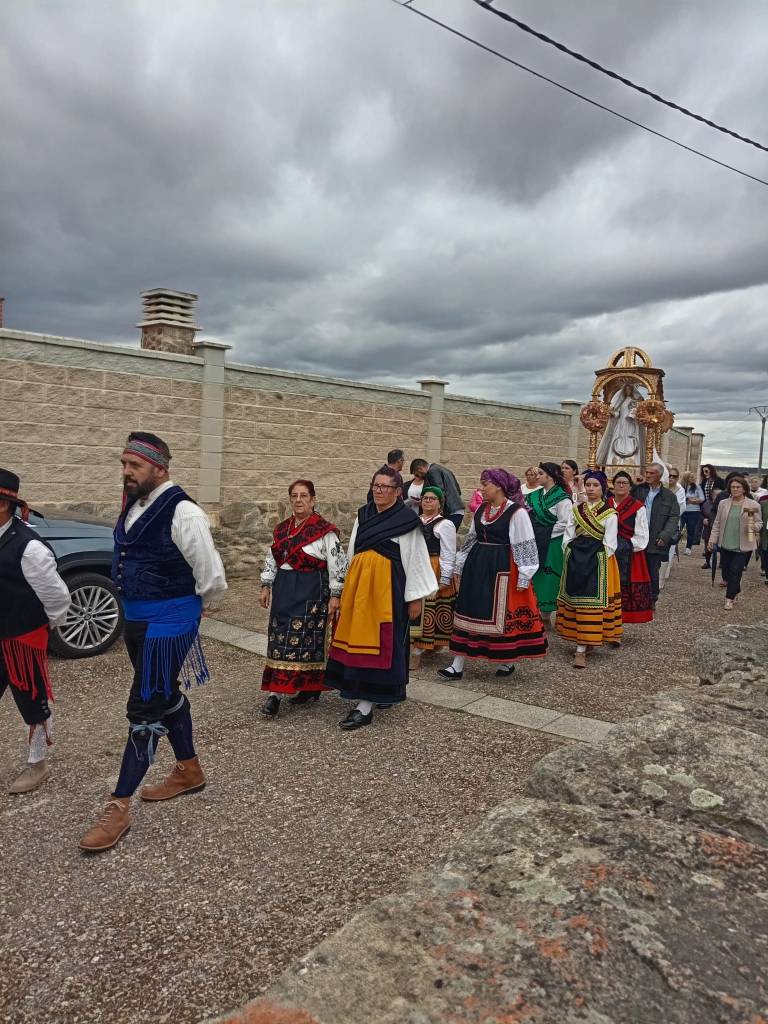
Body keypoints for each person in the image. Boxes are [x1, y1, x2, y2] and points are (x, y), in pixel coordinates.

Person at [80, 432, 227, 853]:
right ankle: (190, 771)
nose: (126, 472)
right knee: (165, 694)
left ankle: (118, 805)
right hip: (138, 618)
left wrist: (194, 611)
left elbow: (212, 575)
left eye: (135, 466)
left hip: (170, 622)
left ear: (159, 468)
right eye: (124, 464)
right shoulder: (134, 504)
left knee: (144, 706)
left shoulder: (184, 512)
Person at [325, 467, 436, 731]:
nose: (379, 490)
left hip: (389, 590)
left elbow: (416, 559)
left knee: (385, 643)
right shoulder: (363, 515)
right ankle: (378, 691)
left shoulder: (406, 520)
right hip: (359, 588)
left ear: (398, 492)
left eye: (385, 486)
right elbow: (352, 551)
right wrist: (343, 589)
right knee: (358, 639)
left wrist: (415, 598)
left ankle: (365, 706)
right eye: (376, 485)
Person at [0, 469, 71, 794]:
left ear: (4, 504)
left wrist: (39, 628)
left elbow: (57, 598)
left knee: (32, 703)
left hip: (21, 641)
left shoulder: (29, 548)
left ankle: (38, 763)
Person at [440, 469, 546, 680]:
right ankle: (457, 664)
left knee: (500, 615)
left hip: (502, 567)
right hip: (477, 565)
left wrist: (525, 574)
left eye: (485, 484)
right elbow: (471, 539)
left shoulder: (517, 512)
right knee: (470, 609)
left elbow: (525, 544)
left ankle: (506, 660)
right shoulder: (481, 510)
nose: (481, 488)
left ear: (498, 486)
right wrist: (459, 566)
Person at [258, 480, 347, 718]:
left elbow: (337, 563)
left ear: (313, 499)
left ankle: (292, 691)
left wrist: (336, 594)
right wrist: (266, 584)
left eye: (304, 495)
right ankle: (281, 690)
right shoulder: (282, 529)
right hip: (284, 590)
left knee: (306, 642)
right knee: (279, 639)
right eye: (294, 496)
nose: (298, 500)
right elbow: (272, 558)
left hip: (312, 592)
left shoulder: (324, 531)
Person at [557, 471, 622, 668]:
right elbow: (568, 534)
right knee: (576, 599)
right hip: (576, 558)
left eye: (596, 485)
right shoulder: (576, 510)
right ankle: (584, 641)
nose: (591, 489)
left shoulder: (610, 514)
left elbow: (610, 544)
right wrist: (568, 551)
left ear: (603, 488)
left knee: (591, 604)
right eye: (588, 485)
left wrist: (596, 559)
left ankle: (581, 650)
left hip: (598, 561)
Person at [409, 486, 457, 670]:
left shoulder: (445, 524)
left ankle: (418, 650)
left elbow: (449, 552)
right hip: (415, 566)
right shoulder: (414, 521)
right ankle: (416, 646)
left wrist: (445, 577)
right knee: (415, 607)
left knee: (430, 609)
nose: (428, 501)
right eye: (425, 498)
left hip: (433, 566)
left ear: (439, 503)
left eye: (432, 498)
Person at [526, 462, 571, 627]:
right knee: (535, 574)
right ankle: (535, 610)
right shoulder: (533, 496)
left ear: (550, 476)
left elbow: (564, 523)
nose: (537, 476)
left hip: (553, 541)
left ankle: (547, 613)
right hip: (534, 540)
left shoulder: (562, 498)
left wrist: (543, 534)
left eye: (540, 473)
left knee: (549, 575)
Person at [708, 475, 761, 609]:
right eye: (733, 487)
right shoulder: (723, 503)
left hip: (744, 544)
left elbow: (759, 522)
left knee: (735, 571)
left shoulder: (753, 504)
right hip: (726, 543)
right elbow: (717, 523)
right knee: (726, 572)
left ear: (744, 489)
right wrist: (712, 539)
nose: (735, 489)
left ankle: (729, 598)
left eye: (738, 487)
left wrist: (753, 527)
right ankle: (735, 589)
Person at [631, 464, 680, 607]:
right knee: (635, 568)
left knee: (652, 570)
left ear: (659, 475)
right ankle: (635, 597)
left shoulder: (669, 496)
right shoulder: (639, 490)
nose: (647, 475)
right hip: (638, 537)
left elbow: (673, 517)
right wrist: (635, 485)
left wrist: (665, 536)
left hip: (655, 538)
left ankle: (652, 599)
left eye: (651, 473)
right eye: (646, 472)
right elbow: (626, 500)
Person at [611, 471, 653, 624]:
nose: (621, 485)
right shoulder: (605, 505)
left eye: (625, 483)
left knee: (627, 586)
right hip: (607, 552)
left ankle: (624, 620)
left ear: (630, 487)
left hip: (631, 554)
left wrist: (621, 545)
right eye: (618, 482)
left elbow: (642, 536)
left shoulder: (638, 507)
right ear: (613, 485)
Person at [595, 383, 664, 472]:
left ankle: (632, 465)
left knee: (631, 442)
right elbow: (617, 414)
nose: (627, 391)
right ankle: (614, 465)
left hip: (631, 425)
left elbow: (638, 413)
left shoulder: (636, 401)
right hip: (620, 426)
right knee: (617, 442)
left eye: (629, 389)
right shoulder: (621, 402)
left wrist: (632, 414)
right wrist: (612, 413)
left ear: (632, 390)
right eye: (626, 389)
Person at [423, 460, 465, 531]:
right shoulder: (446, 470)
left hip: (450, 511)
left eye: (417, 474)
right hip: (458, 509)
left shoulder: (432, 471)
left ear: (419, 469)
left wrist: (439, 512)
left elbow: (439, 492)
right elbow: (458, 490)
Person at [699, 465, 726, 569]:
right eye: (703, 471)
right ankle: (707, 560)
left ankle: (722, 562)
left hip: (720, 523)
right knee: (707, 540)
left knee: (722, 542)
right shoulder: (703, 483)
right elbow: (701, 513)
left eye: (707, 471)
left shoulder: (719, 481)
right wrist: (703, 519)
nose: (705, 473)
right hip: (708, 512)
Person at [680, 472, 705, 554]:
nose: (693, 478)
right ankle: (674, 546)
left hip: (694, 512)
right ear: (686, 478)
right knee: (678, 529)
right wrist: (689, 499)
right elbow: (680, 498)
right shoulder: (681, 487)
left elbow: (702, 498)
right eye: (691, 477)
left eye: (693, 477)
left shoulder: (697, 487)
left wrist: (692, 500)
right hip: (682, 511)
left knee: (691, 530)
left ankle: (688, 548)